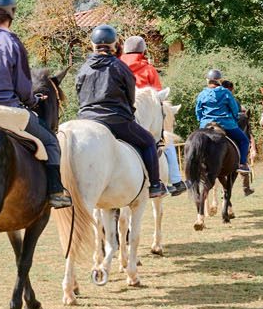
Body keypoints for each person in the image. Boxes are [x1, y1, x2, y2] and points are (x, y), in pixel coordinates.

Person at [0, 0, 71, 208]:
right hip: (6, 111)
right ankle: (56, 193)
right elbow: (23, 85)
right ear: (12, 13)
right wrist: (32, 101)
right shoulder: (13, 42)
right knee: (50, 141)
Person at [74, 25, 168, 198]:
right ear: (115, 44)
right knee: (148, 141)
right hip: (115, 119)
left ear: (92, 44)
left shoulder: (83, 68)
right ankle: (155, 184)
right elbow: (130, 96)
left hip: (86, 119)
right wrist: (129, 111)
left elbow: (79, 93)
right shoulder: (119, 66)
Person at [120, 36, 185, 195]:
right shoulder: (148, 69)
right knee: (164, 140)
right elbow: (157, 95)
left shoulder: (117, 65)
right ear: (143, 51)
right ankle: (175, 181)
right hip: (144, 112)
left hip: (120, 110)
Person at [194, 68, 253, 192]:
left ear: (207, 80)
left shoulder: (202, 94)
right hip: (226, 124)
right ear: (219, 81)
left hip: (206, 125)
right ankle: (242, 164)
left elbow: (198, 111)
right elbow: (234, 109)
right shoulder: (226, 93)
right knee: (244, 141)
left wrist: (202, 121)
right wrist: (233, 118)